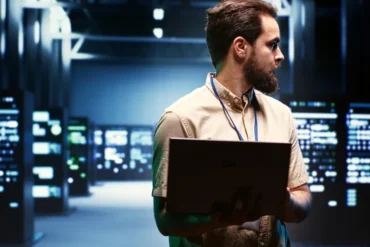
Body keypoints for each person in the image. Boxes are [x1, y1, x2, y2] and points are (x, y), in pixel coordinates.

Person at [151, 0, 312, 246]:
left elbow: (303, 197)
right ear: (240, 47)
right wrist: (219, 219)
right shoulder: (180, 119)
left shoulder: (282, 115)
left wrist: (286, 201)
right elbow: (164, 220)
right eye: (272, 45)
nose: (280, 56)